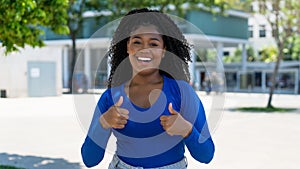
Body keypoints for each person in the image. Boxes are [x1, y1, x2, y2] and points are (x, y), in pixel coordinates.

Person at [81, 8, 215, 169]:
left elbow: (206, 155)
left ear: (164, 50)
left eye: (153, 43)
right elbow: (89, 160)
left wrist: (186, 130)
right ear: (128, 48)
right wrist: (103, 123)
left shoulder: (182, 92)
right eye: (137, 42)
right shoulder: (110, 97)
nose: (145, 49)